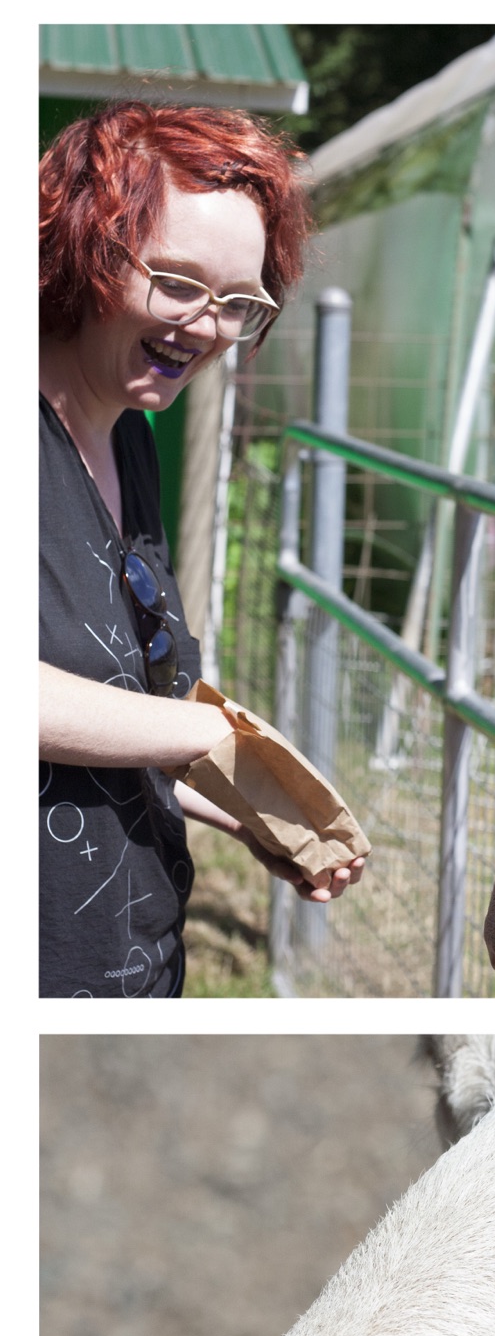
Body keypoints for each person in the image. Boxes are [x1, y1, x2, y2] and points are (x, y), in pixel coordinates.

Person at [40, 102, 366, 997]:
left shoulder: (130, 436)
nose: (206, 325)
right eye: (178, 282)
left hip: (125, 960)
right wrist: (203, 733)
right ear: (84, 247)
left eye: (238, 302)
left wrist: (253, 810)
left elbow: (100, 724)